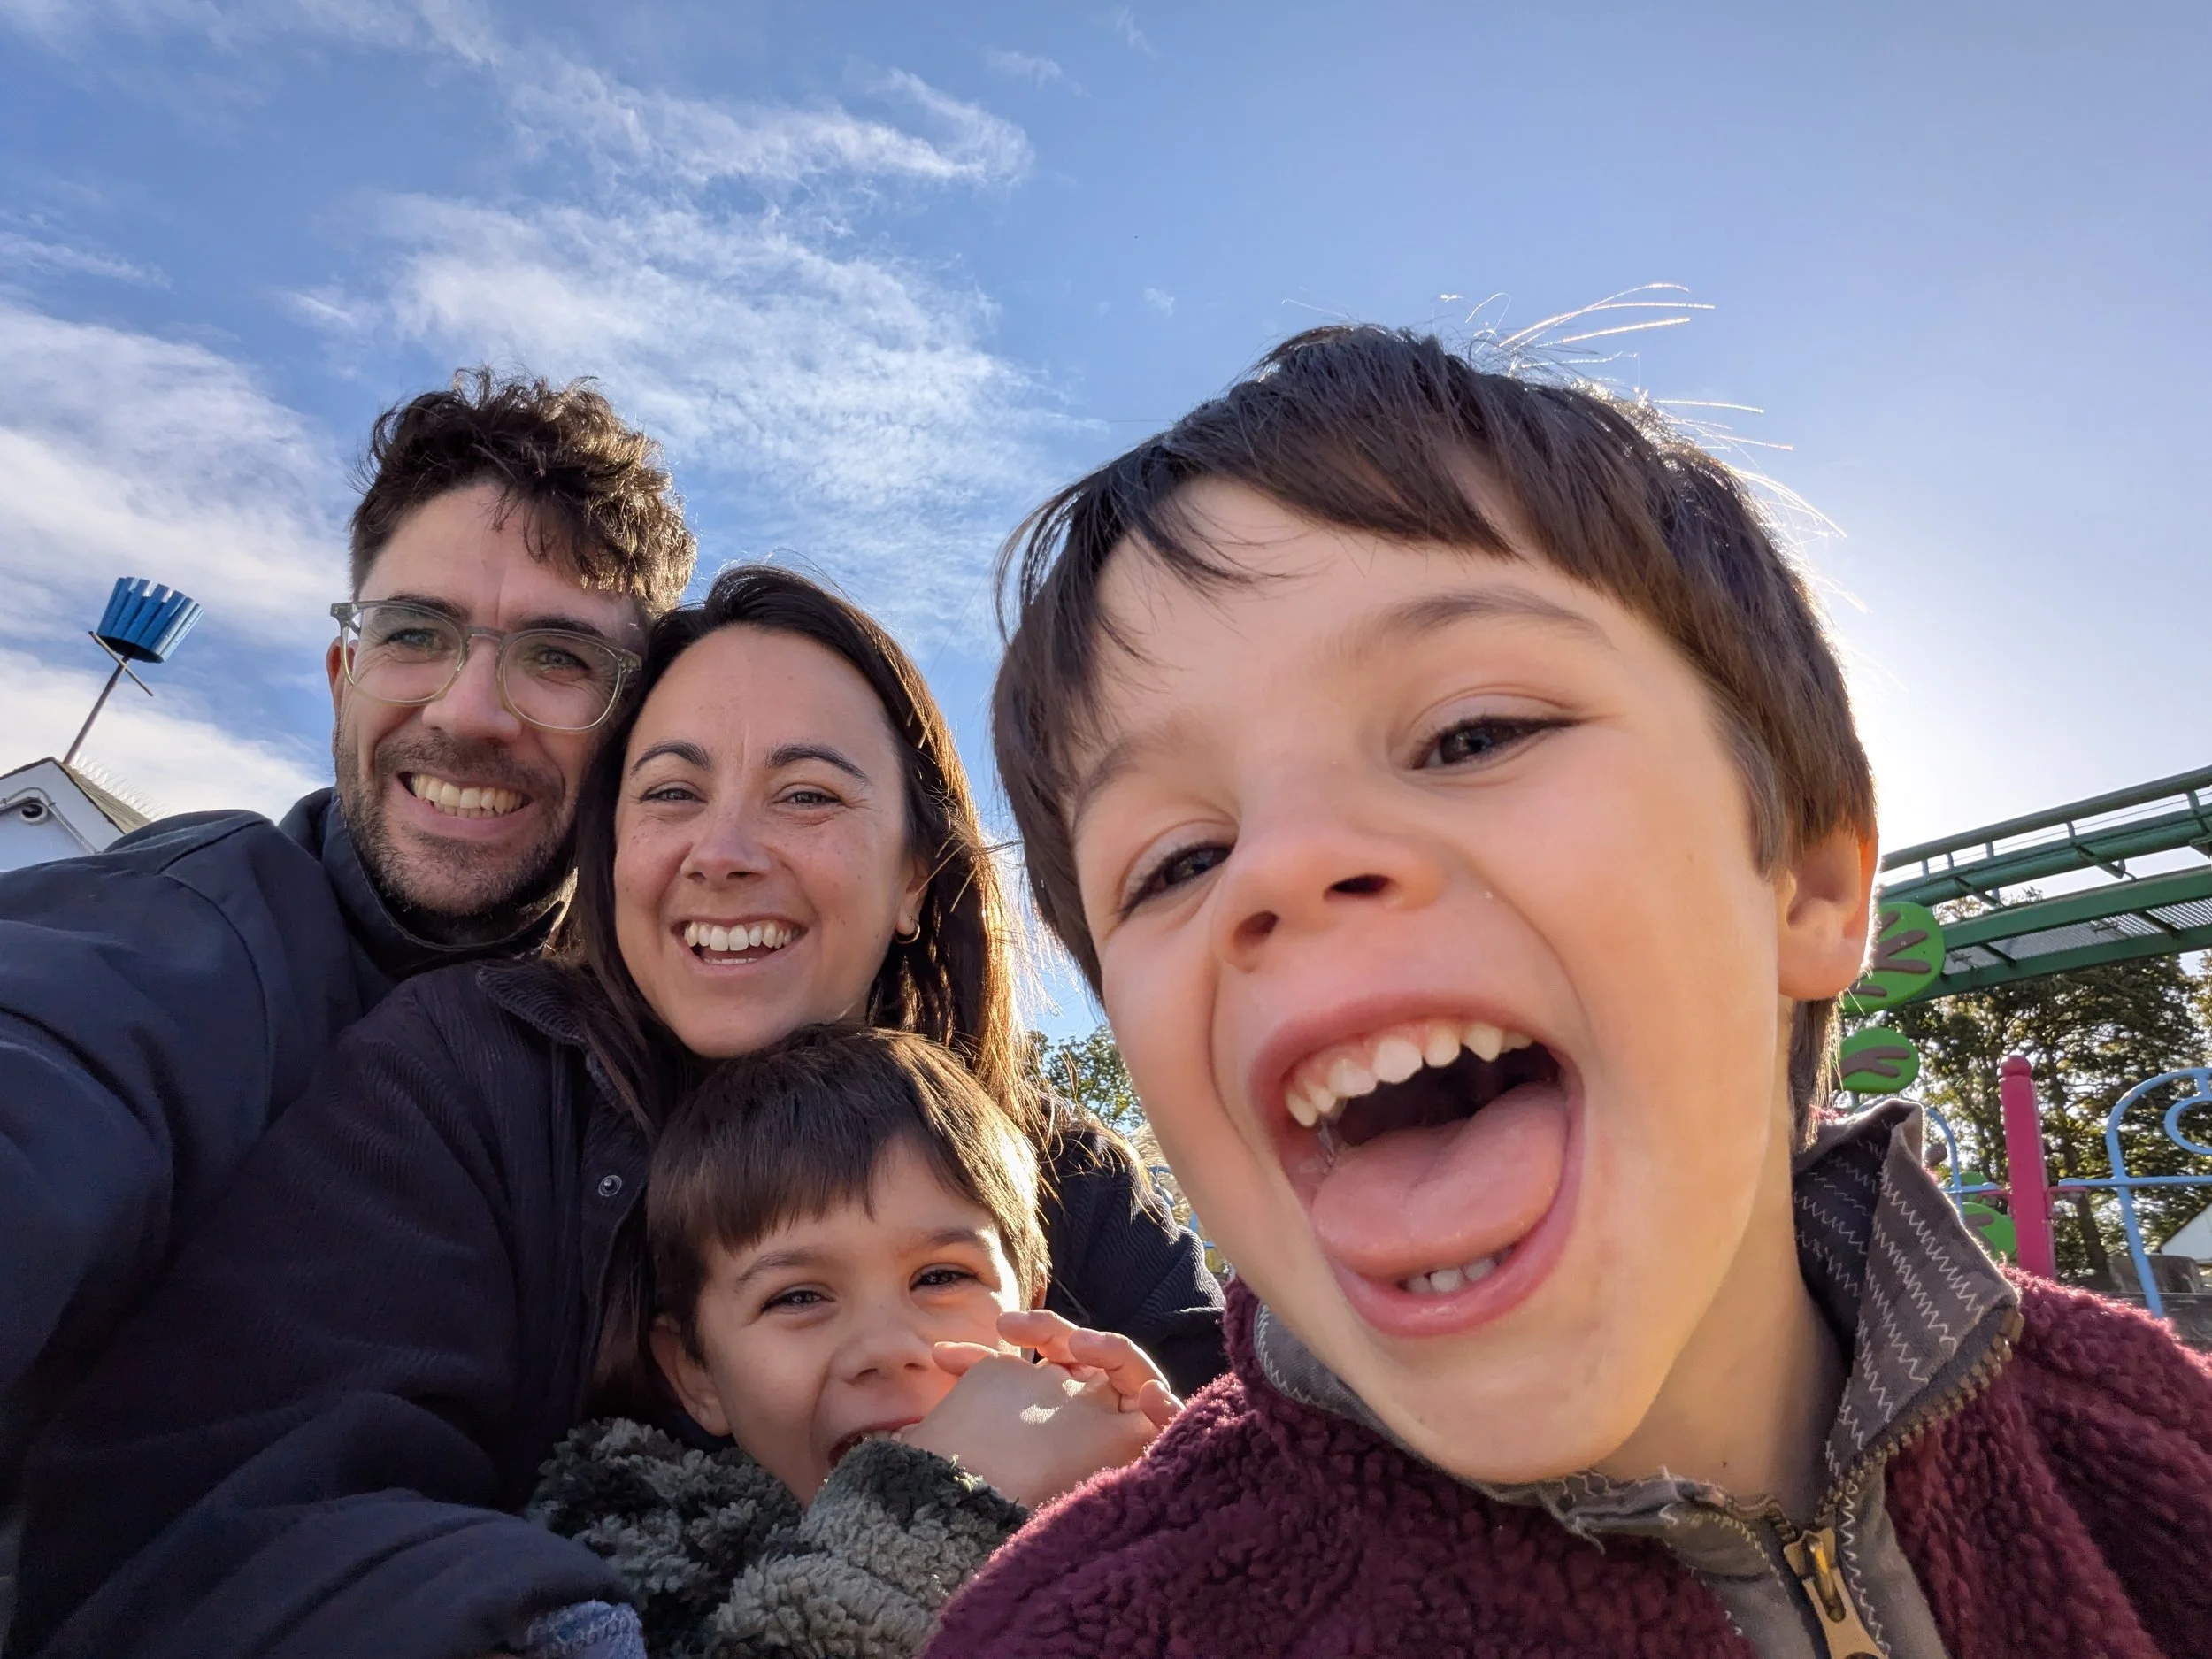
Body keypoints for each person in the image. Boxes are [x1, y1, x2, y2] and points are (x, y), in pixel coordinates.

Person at [924, 326, 2212, 1658]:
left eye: (1473, 733)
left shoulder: (2154, 1442)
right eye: (1178, 859)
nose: (1287, 864)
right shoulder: (1081, 1631)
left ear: (1812, 883)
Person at [15, 565, 1223, 1659]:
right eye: (670, 792)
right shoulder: (465, 1076)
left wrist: (1186, 1469)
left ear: (915, 871)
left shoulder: (1070, 1172)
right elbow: (227, 1511)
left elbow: (1291, 1447)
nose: (724, 849)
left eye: (805, 793)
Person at [0, 370, 692, 1622]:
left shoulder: (670, 1043)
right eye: (415, 634)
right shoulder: (189, 935)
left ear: (632, 721)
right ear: (341, 672)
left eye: (556, 656)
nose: (469, 710)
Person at [529, 1024, 1179, 1659]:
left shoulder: (1121, 1514)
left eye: (942, 1276)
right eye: (798, 1297)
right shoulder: (620, 1556)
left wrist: (1183, 1489)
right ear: (696, 1371)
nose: (886, 1345)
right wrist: (936, 1515)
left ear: (1031, 1313)